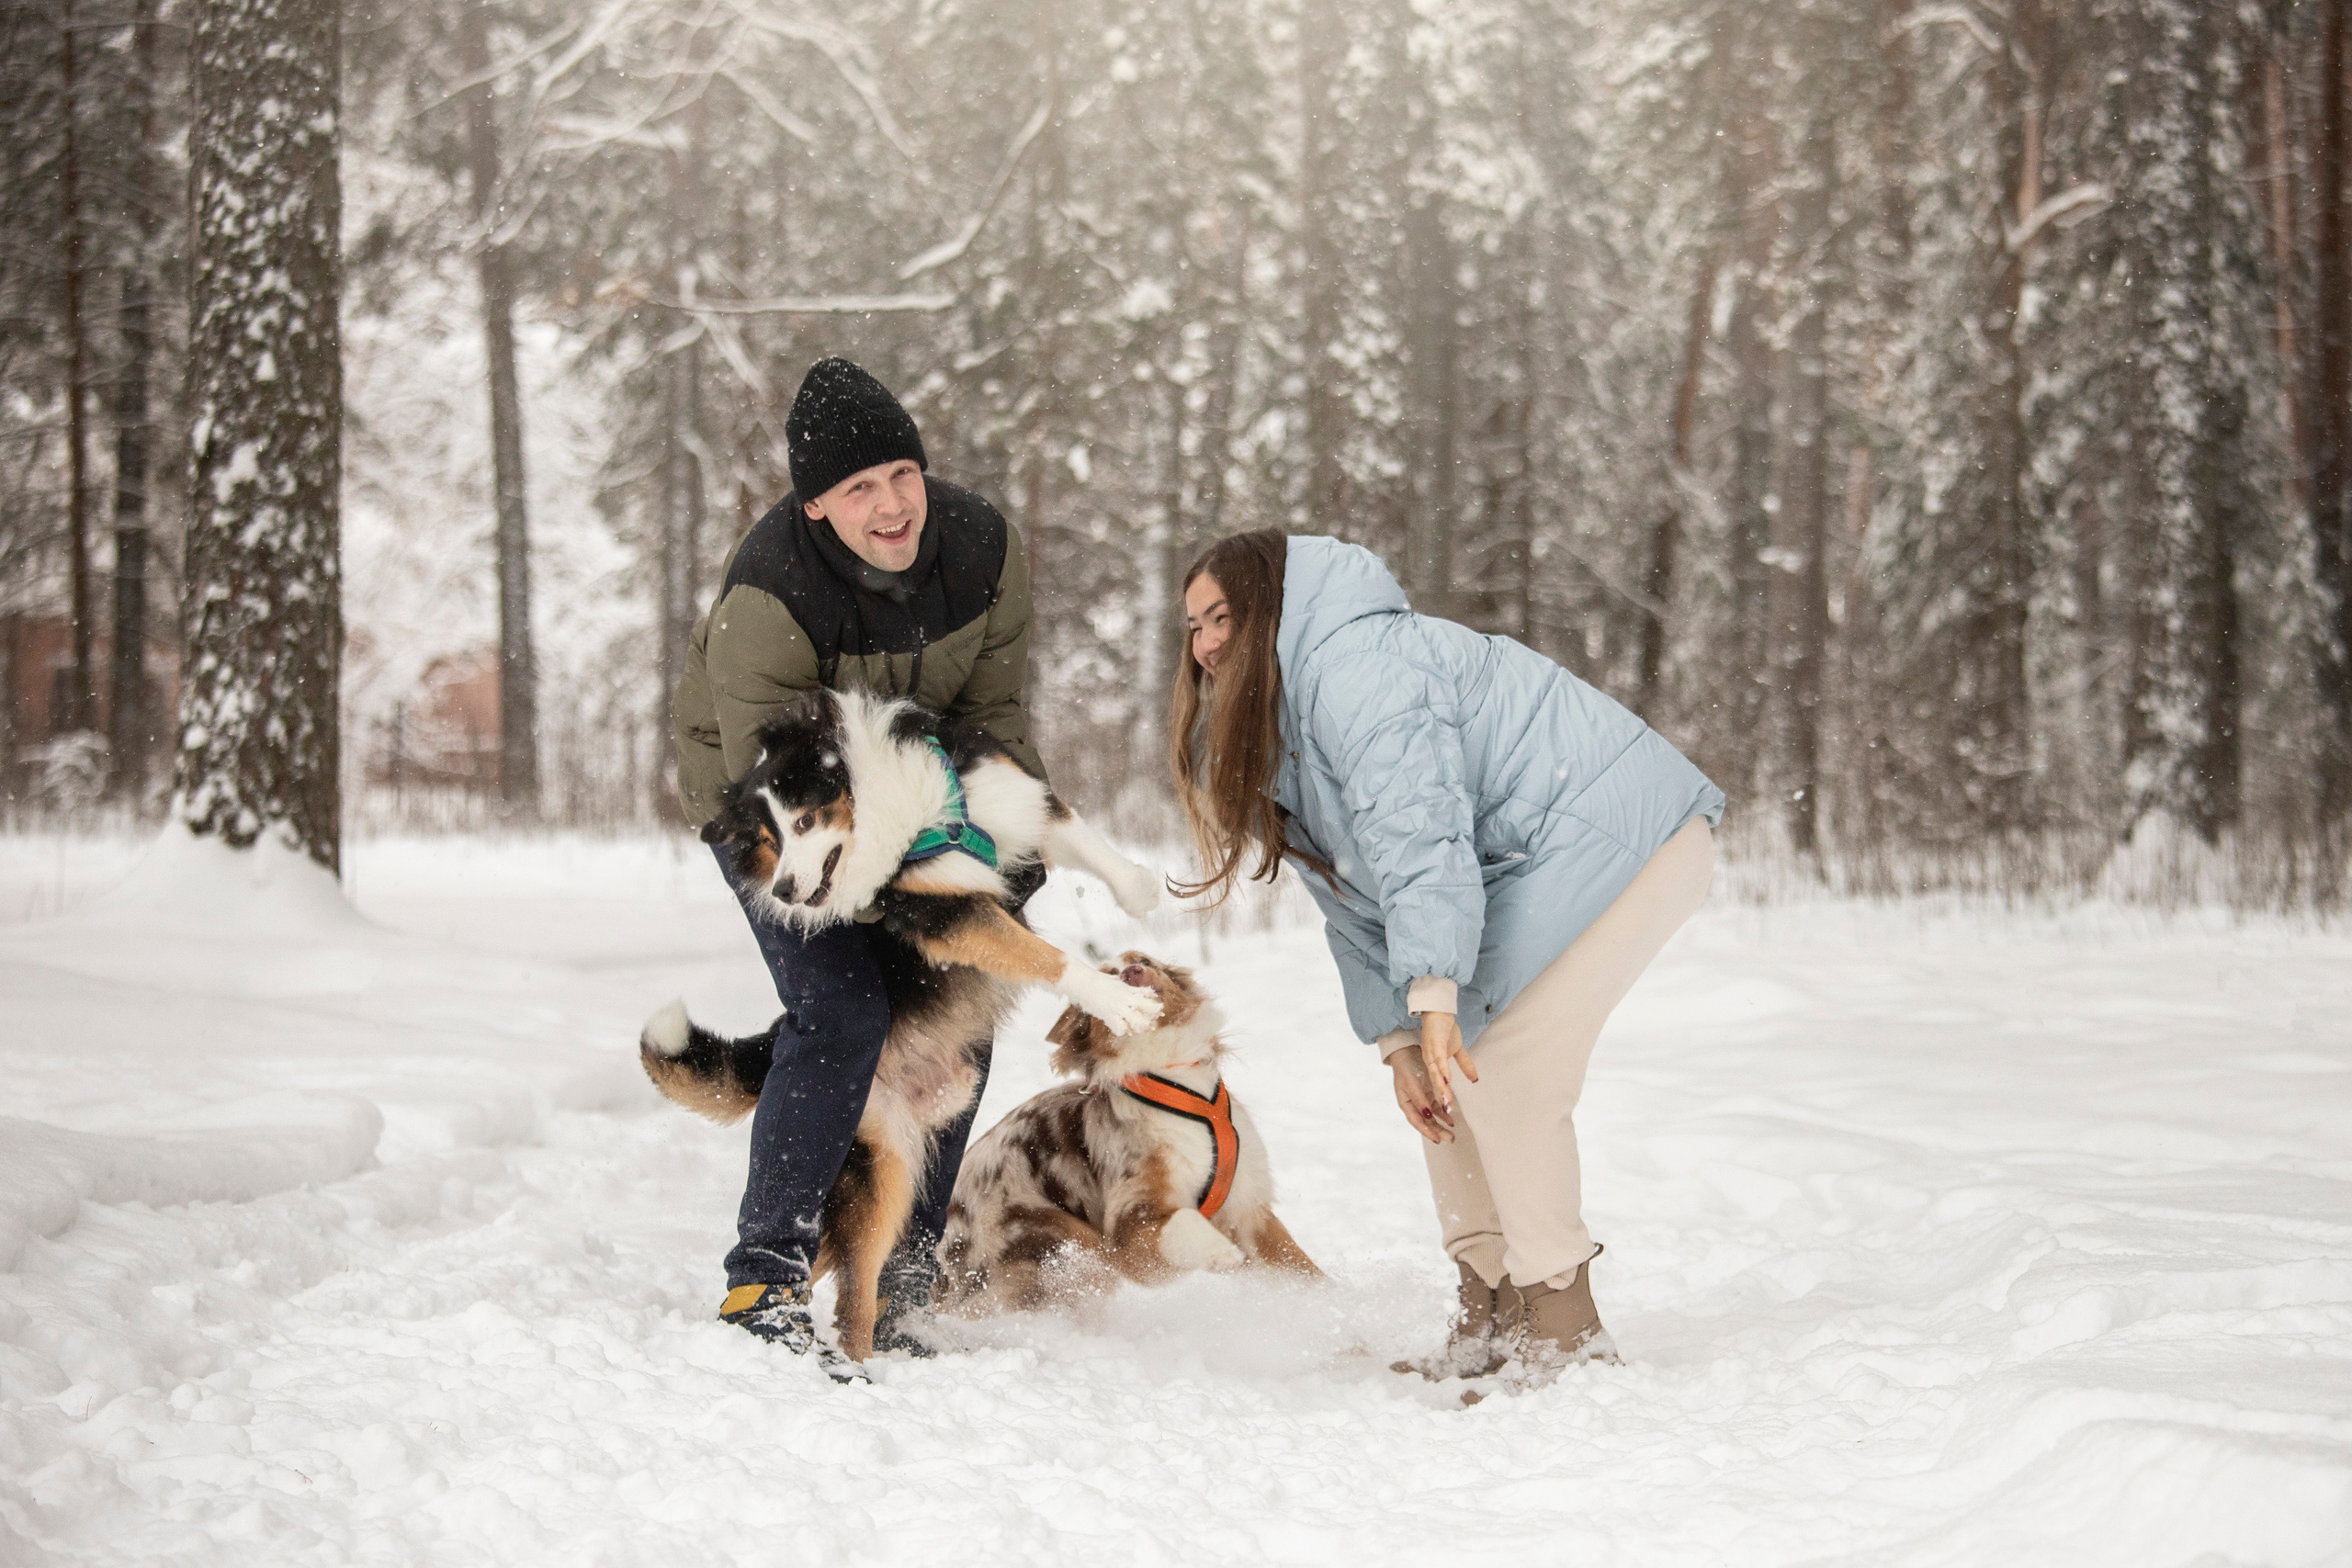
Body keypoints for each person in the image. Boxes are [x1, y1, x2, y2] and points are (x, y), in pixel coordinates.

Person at [1169, 530, 1724, 1378]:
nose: (1206, 643)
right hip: (1523, 864)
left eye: (1222, 616)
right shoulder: (1277, 724)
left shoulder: (1356, 665)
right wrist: (1400, 1040)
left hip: (1621, 835)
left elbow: (1419, 830)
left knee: (1499, 1066)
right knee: (1442, 1077)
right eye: (1193, 626)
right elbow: (1352, 895)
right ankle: (1490, 1312)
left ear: (1269, 607)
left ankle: (1565, 1330)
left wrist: (1435, 992)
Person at [672, 356, 1047, 1371]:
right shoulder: (768, 597)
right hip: (777, 819)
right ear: (815, 505)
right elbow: (787, 789)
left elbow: (995, 716)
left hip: (922, 810)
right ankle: (767, 1274)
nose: (890, 506)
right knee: (845, 1012)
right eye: (858, 490)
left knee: (968, 1003)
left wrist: (1003, 860)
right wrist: (906, 899)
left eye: (902, 476)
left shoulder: (982, 552)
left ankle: (903, 1283)